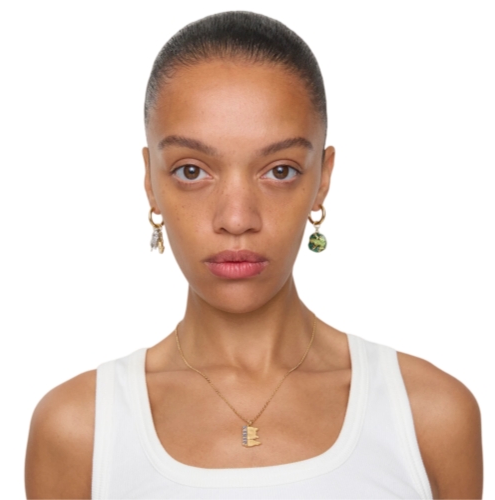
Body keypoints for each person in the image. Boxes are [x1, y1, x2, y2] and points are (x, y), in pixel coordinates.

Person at [24, 11, 483, 500]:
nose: (237, 218)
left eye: (280, 171)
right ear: (150, 182)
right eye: (191, 171)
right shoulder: (79, 431)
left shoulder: (429, 415)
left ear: (322, 179)